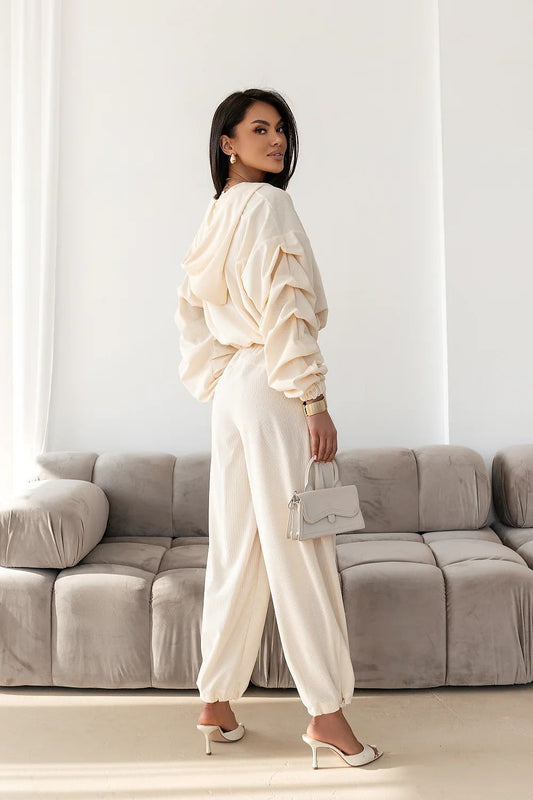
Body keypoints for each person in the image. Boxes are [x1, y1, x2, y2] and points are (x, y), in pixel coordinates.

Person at [174, 88, 382, 769]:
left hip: (232, 387)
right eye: (259, 129)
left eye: (282, 130)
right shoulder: (270, 205)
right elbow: (286, 303)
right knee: (302, 547)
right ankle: (326, 714)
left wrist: (224, 380)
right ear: (226, 142)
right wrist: (312, 397)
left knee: (238, 545)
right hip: (271, 382)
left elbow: (192, 315)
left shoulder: (214, 216)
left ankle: (216, 702)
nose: (278, 140)